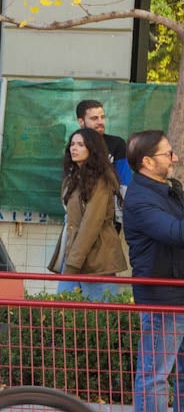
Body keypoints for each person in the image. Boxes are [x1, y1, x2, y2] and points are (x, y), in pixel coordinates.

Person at [121, 129, 184, 412]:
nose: (174, 158)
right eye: (167, 154)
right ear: (147, 161)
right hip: (161, 297)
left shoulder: (168, 189)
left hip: (178, 292)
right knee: (155, 374)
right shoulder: (140, 198)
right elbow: (174, 233)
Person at [51, 127, 126, 300]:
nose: (74, 148)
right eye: (72, 144)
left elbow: (91, 224)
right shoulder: (72, 178)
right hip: (74, 254)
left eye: (80, 145)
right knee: (63, 310)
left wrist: (72, 265)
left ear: (92, 149)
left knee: (100, 313)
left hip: (98, 259)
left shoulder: (101, 180)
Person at [78, 99, 131, 193]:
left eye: (102, 117)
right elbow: (69, 180)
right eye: (94, 118)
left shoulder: (117, 144)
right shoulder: (74, 146)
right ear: (81, 121)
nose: (100, 122)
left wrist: (119, 202)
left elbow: (124, 182)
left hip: (111, 199)